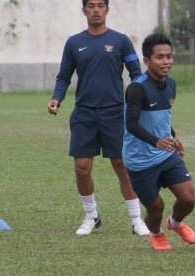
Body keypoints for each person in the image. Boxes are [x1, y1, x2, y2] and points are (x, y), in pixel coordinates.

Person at [47, 0, 149, 236]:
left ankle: (136, 220)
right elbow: (64, 76)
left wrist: (138, 102)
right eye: (90, 6)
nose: (95, 10)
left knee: (122, 166)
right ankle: (91, 216)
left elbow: (137, 75)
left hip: (115, 113)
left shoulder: (121, 40)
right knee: (82, 168)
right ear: (84, 10)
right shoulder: (74, 43)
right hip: (84, 114)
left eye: (100, 5)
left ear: (107, 10)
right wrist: (57, 98)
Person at [122, 33, 195, 251]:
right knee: (156, 208)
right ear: (147, 61)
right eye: (159, 57)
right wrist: (155, 141)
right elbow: (131, 124)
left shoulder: (171, 84)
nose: (166, 62)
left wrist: (173, 137)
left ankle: (175, 223)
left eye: (169, 56)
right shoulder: (138, 88)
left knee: (188, 198)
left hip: (165, 154)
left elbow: (162, 118)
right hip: (140, 160)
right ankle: (155, 233)